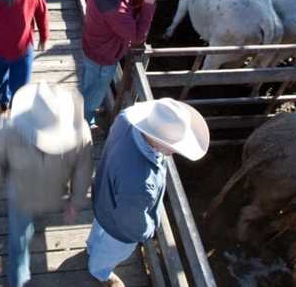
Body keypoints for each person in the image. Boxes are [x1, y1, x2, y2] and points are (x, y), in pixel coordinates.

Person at [88, 98, 209, 286]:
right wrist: (148, 230)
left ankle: (91, 248)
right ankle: (100, 272)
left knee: (100, 229)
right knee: (111, 251)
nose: (175, 151)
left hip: (104, 196)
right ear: (159, 140)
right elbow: (132, 225)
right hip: (119, 227)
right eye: (174, 146)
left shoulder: (125, 119)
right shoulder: (141, 184)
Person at [0, 81, 93, 287]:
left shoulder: (81, 135)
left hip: (49, 195)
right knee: (18, 245)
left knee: (20, 236)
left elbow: (83, 171)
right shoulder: (7, 129)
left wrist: (76, 201)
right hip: (22, 199)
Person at [79, 0, 165, 128]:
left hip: (93, 46)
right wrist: (148, 3)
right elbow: (137, 37)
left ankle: (83, 112)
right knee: (94, 94)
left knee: (89, 84)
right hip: (103, 57)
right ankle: (83, 121)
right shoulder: (114, 8)